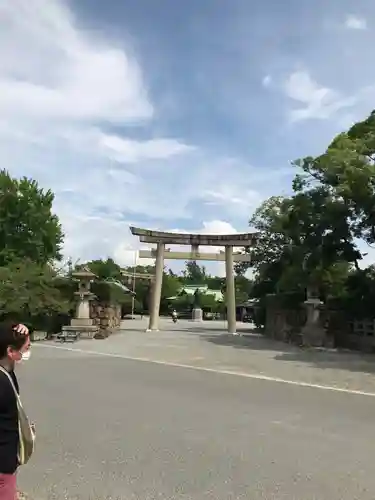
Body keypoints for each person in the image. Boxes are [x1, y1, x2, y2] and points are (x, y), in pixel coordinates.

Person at [0, 323, 30, 500]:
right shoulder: (1, 383)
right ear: (10, 352)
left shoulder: (6, 371)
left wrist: (13, 329)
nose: (27, 353)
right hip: (3, 464)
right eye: (26, 348)